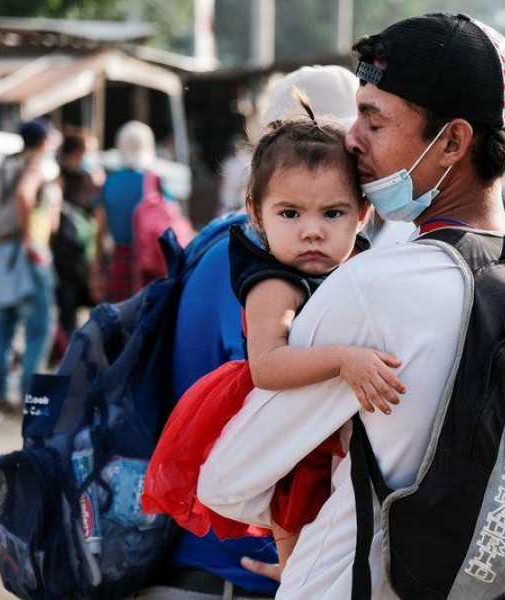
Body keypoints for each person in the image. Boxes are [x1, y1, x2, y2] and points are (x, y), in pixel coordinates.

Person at [197, 13, 505, 598]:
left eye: (373, 120)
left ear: (454, 141)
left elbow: (228, 480)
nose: (351, 138)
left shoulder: (374, 285)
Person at [145, 98, 402, 570]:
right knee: (298, 510)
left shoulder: (358, 265)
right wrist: (345, 359)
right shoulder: (274, 284)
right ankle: (292, 571)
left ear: (363, 213)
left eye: (332, 214)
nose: (311, 232)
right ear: (256, 214)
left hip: (319, 417)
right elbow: (266, 366)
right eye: (290, 214)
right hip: (280, 412)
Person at [0, 119, 60, 414]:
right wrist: (30, 240)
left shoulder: (5, 165)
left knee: (3, 327)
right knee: (39, 329)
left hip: (0, 254)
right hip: (30, 257)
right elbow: (23, 195)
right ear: (43, 142)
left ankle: (0, 396)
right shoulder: (36, 166)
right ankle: (31, 401)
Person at [91, 120, 159, 302]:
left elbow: (99, 231)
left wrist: (96, 269)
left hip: (118, 261)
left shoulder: (109, 183)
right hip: (150, 265)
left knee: (118, 323)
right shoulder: (154, 182)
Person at [50, 131, 100, 357]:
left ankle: (72, 356)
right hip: (70, 256)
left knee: (71, 311)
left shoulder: (71, 178)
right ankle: (71, 356)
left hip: (74, 255)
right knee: (70, 311)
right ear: (79, 152)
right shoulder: (65, 180)